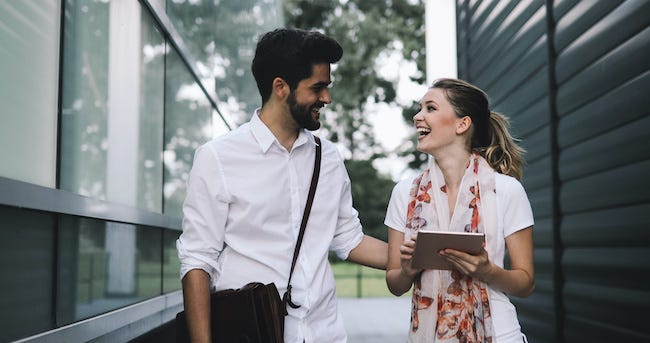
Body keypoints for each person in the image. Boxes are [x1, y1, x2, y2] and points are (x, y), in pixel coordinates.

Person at [177, 28, 388, 343]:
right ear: (280, 87)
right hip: (251, 332)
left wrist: (426, 255)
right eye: (317, 88)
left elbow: (348, 239)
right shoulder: (218, 157)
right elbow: (197, 260)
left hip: (323, 333)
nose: (327, 98)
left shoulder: (327, 158)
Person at [385, 78, 535, 342]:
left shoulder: (507, 191)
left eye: (430, 108)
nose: (418, 116)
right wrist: (408, 270)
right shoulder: (403, 193)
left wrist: (487, 271)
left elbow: (526, 283)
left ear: (462, 124)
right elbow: (395, 283)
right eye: (420, 108)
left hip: (499, 335)